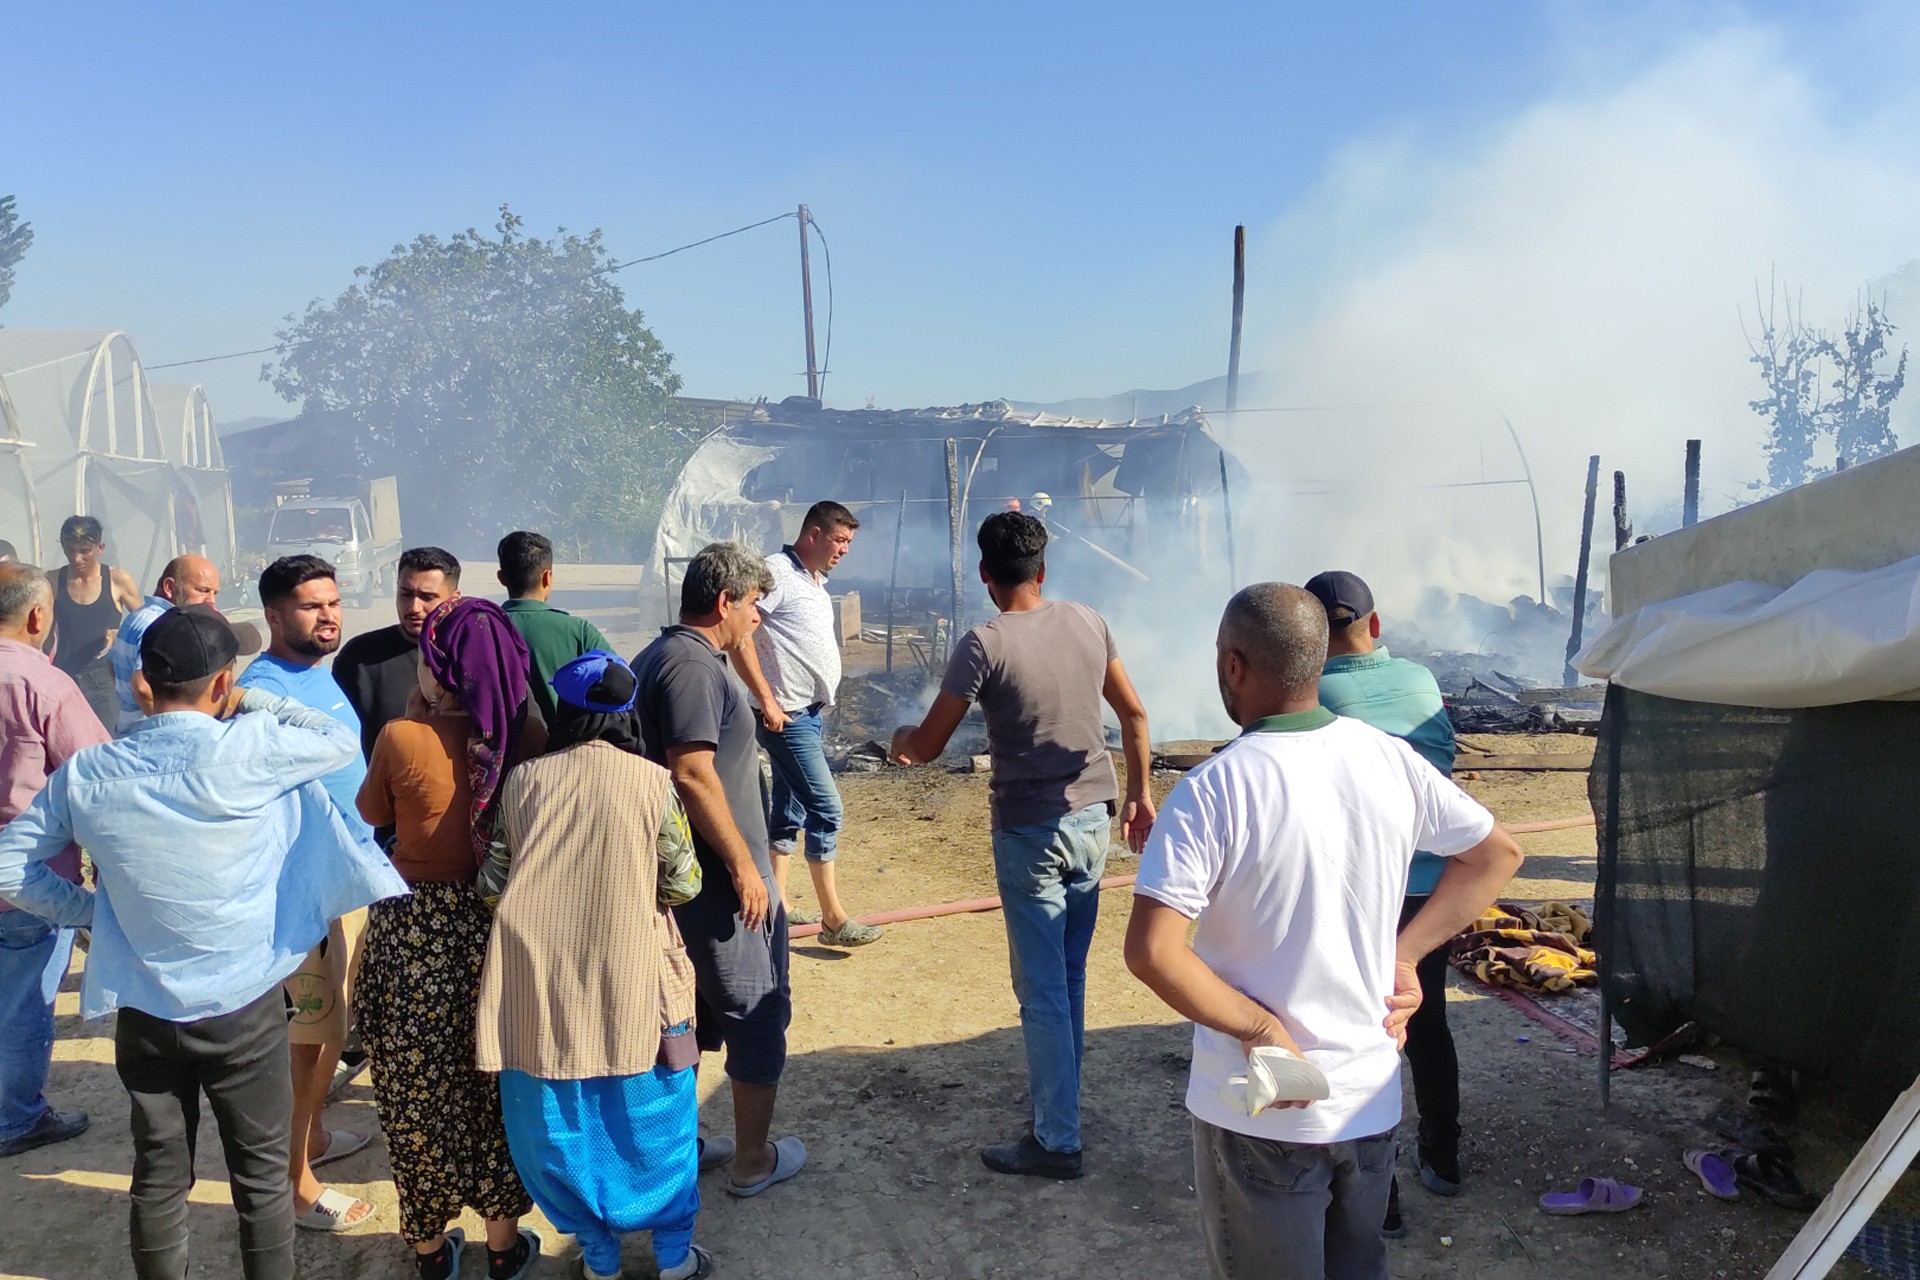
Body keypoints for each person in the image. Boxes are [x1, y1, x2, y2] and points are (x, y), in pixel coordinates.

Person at [1124, 583, 1524, 1280]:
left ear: (1232, 667)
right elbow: (1497, 855)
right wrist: (1406, 955)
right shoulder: (1388, 758)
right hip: (1368, 1101)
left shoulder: (1213, 789)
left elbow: (1154, 953)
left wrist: (1259, 1030)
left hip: (1261, 1115)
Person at [0, 605, 406, 1280]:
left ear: (139, 686)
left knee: (159, 1173)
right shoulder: (249, 749)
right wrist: (254, 699)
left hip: (147, 1010)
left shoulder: (90, 773)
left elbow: (10, 865)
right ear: (221, 685)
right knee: (261, 1177)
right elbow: (338, 741)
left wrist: (92, 912)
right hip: (244, 1009)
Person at [891, 511, 1155, 1178]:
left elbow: (925, 747)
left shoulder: (983, 644)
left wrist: (899, 743)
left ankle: (1058, 1140)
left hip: (1029, 832)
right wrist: (1140, 793)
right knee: (1067, 977)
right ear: (1044, 571)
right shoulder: (1089, 621)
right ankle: (1057, 1108)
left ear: (985, 575)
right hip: (1093, 821)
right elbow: (1134, 714)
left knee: (1042, 991)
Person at [477, 651, 713, 1280]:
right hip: (636, 980)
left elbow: (494, 884)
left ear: (566, 710)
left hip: (540, 986)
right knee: (654, 1113)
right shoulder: (652, 782)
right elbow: (684, 882)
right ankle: (673, 1258)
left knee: (557, 1121)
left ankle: (599, 1257)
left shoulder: (523, 783)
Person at [356, 596, 542, 1280]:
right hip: (496, 929)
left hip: (414, 933)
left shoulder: (403, 738)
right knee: (494, 1088)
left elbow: (372, 812)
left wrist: (416, 713)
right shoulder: (529, 739)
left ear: (439, 666)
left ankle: (432, 1253)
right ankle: (503, 1248)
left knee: (415, 1090)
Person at [630, 541, 807, 1199]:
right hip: (714, 882)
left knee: (691, 1016)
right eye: (755, 604)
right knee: (754, 1011)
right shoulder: (690, 667)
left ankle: (687, 1145)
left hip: (690, 880)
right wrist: (744, 868)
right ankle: (753, 1162)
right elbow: (692, 772)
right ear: (725, 601)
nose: (757, 618)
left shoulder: (662, 656)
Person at [1305, 569, 1464, 1233]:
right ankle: (1444, 1160)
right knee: (1426, 1021)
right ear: (1375, 624)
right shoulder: (1422, 681)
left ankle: (1382, 1201)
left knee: (1362, 1036)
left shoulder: (1316, 693)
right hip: (1436, 891)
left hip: (1362, 893)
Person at [236, 555, 375, 1232]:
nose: (328, 615)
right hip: (304, 895)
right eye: (309, 606)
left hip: (343, 881)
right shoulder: (262, 689)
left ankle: (313, 1136)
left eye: (333, 602)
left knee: (329, 1033)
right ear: (272, 615)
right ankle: (294, 1185)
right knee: (304, 1042)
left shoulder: (316, 678)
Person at [731, 501, 882, 946]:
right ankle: (833, 920)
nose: (845, 550)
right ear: (813, 535)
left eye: (849, 542)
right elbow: (739, 634)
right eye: (840, 540)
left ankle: (776, 902)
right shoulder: (776, 572)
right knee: (826, 808)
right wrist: (766, 700)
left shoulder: (815, 580)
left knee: (790, 809)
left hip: (808, 713)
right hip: (786, 717)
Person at [0, 563, 110, 1159]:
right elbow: (99, 777)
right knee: (22, 1004)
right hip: (30, 882)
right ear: (39, 616)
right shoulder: (44, 685)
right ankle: (16, 1119)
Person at [333, 546, 462, 759]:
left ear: (454, 599)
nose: (414, 607)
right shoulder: (359, 658)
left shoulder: (474, 656)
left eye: (427, 597)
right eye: (406, 594)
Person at [109, 554, 261, 735]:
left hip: (129, 731)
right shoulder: (160, 624)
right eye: (203, 590)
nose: (211, 600)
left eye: (215, 593)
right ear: (170, 587)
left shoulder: (139, 615)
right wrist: (170, 732)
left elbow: (111, 666)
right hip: (149, 738)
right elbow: (142, 687)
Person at [496, 529, 612, 726]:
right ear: (547, 577)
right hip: (565, 751)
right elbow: (618, 686)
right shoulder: (579, 631)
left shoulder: (480, 629)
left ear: (501, 578)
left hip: (499, 754)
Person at [48, 516, 144, 728]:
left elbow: (145, 626)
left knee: (106, 744)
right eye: (70, 550)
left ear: (100, 547)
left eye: (84, 551)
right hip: (65, 677)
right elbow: (39, 632)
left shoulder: (118, 580)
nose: (76, 558)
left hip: (105, 682)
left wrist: (119, 633)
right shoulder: (53, 581)